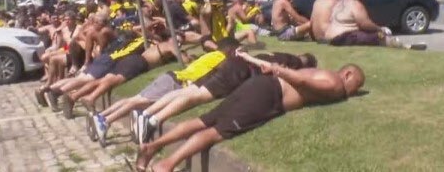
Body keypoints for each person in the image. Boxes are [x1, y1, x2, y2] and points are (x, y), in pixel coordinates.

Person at [135, 60, 365, 172]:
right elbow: (303, 82)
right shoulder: (335, 83)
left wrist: (277, 71)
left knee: (205, 120)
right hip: (268, 94)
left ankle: (153, 146)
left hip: (259, 85)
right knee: (216, 132)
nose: (353, 90)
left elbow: (305, 80)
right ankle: (167, 164)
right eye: (356, 84)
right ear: (348, 73)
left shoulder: (322, 71)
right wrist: (279, 69)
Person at [136, 48, 317, 145]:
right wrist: (250, 59)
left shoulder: (281, 53)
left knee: (189, 91)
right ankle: (154, 120)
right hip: (239, 71)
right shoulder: (293, 62)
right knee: (197, 96)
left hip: (232, 64)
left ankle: (148, 114)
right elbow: (268, 66)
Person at [89, 38, 240, 146]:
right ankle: (105, 121)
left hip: (171, 77)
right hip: (176, 81)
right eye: (236, 51)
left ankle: (102, 117)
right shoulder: (221, 58)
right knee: (137, 101)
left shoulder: (211, 55)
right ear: (230, 49)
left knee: (135, 100)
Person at [324, 0, 426, 50]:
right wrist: (380, 29)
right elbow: (365, 24)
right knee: (378, 36)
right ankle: (405, 46)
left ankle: (400, 44)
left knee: (367, 35)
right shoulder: (355, 3)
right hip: (343, 37)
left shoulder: (339, 1)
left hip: (329, 37)